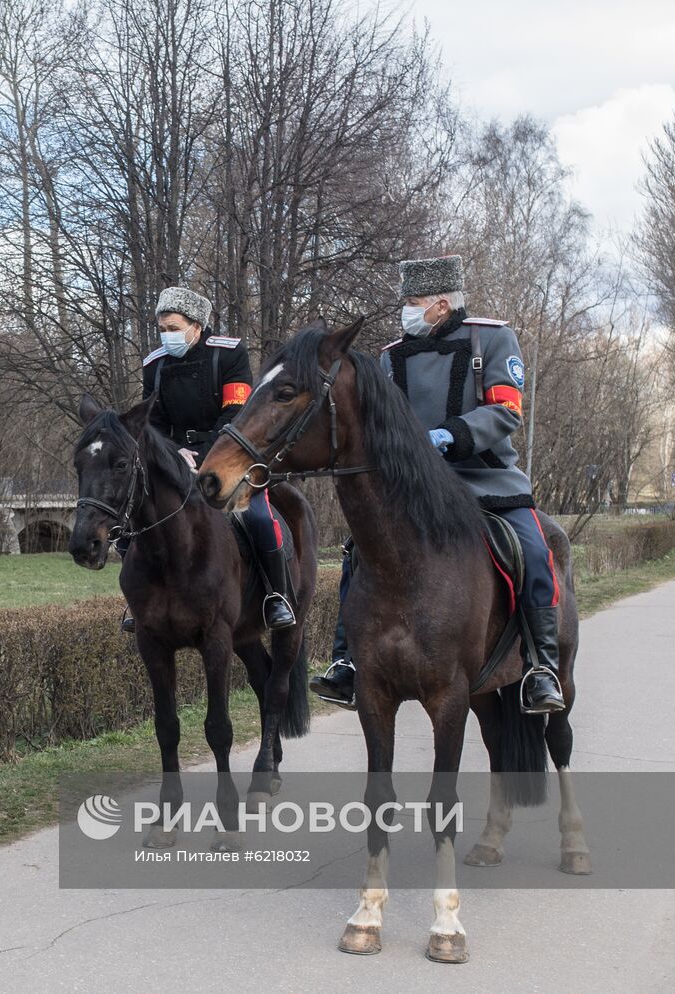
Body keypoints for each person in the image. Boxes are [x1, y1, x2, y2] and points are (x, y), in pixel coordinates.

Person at [309, 255, 566, 714]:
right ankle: (345, 662)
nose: (405, 311)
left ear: (441, 304)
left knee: (533, 549)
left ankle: (541, 667)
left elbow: (507, 410)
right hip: (416, 488)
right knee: (357, 551)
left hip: (487, 478)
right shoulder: (391, 357)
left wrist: (449, 435)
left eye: (413, 302)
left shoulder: (492, 338)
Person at [118, 286, 295, 632]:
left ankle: (277, 595)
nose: (167, 336)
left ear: (196, 327)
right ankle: (138, 601)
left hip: (227, 454)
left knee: (257, 518)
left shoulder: (229, 355)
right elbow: (151, 423)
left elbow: (235, 414)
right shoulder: (154, 365)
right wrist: (172, 454)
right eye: (163, 329)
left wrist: (203, 454)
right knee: (130, 524)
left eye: (174, 328)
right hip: (173, 460)